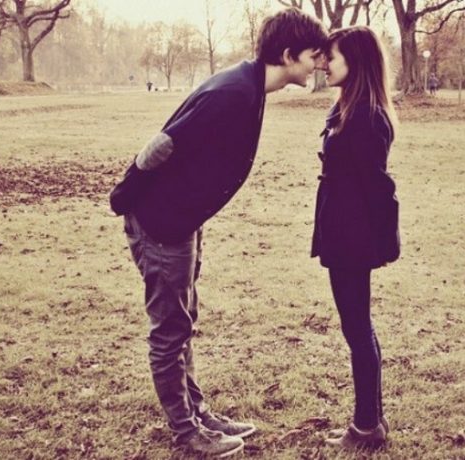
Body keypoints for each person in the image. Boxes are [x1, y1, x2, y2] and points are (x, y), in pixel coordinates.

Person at [109, 8, 327, 458]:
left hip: (182, 219)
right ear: (289, 55)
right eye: (314, 55)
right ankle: (186, 432)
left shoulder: (250, 85)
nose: (319, 64)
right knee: (170, 330)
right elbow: (165, 142)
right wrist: (124, 193)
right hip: (162, 222)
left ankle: (198, 414)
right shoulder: (233, 92)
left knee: (183, 319)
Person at [311, 26, 400, 451]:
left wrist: (381, 243)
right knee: (358, 328)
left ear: (356, 62)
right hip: (343, 233)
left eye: (331, 57)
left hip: (352, 238)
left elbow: (377, 186)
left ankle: (366, 427)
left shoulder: (365, 116)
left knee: (358, 329)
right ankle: (371, 421)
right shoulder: (349, 108)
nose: (323, 64)